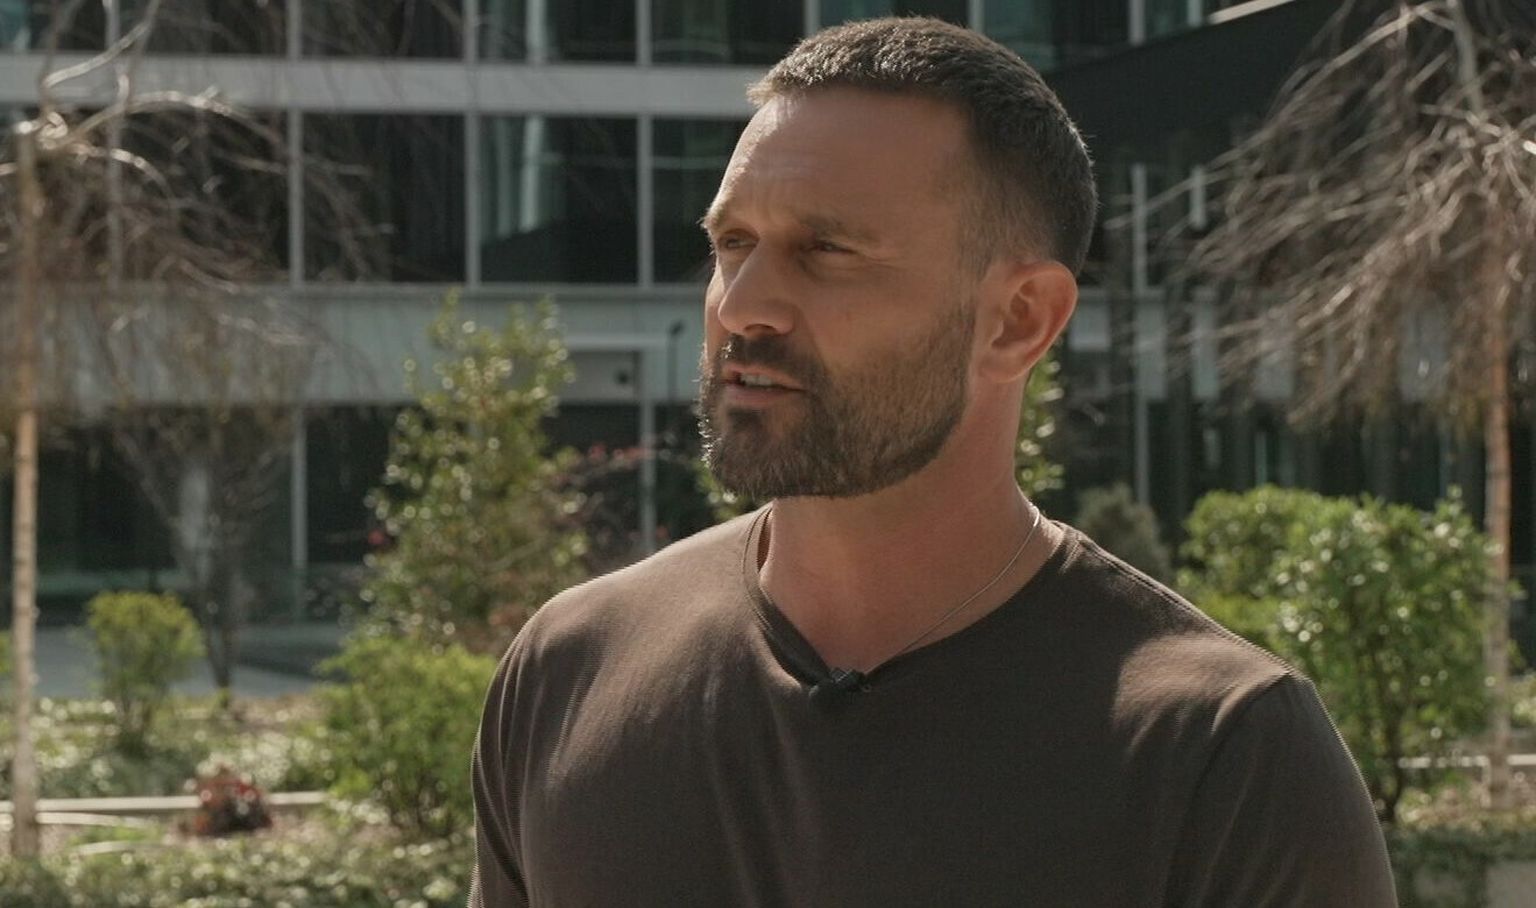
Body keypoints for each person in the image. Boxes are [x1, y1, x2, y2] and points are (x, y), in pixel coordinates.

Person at [469, 17, 1397, 907]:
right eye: (732, 244)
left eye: (827, 250)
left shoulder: (1221, 753)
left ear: (1019, 320)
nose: (743, 306)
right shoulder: (568, 670)